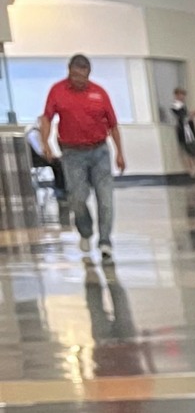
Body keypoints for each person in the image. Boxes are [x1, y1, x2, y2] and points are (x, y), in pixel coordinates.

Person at [39, 54, 126, 262]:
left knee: (105, 198)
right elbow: (47, 119)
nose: (79, 80)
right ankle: (85, 231)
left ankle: (105, 241)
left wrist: (120, 153)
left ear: (89, 73)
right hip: (72, 153)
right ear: (69, 71)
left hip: (99, 151)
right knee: (77, 198)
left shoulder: (99, 93)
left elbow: (113, 125)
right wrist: (45, 143)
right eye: (75, 76)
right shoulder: (57, 91)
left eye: (83, 77)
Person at [168, 86, 195, 179]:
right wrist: (192, 115)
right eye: (181, 95)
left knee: (194, 151)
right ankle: (194, 170)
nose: (182, 97)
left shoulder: (182, 106)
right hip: (185, 132)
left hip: (189, 131)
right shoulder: (175, 107)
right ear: (176, 95)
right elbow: (183, 119)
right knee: (191, 151)